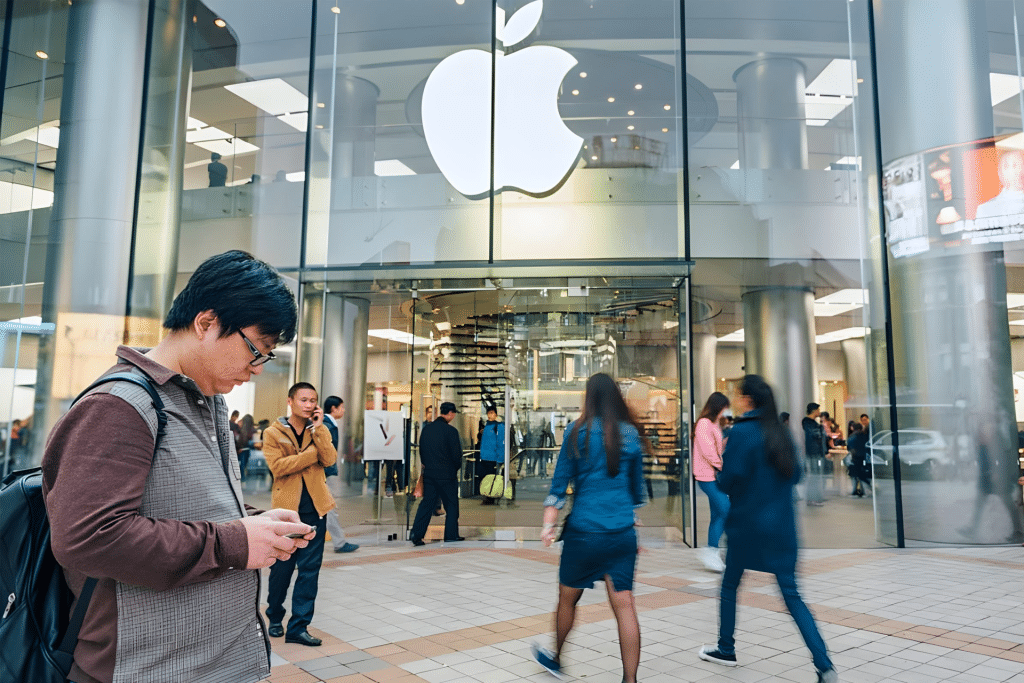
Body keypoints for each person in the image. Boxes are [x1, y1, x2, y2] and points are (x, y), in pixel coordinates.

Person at [41, 249, 311, 683]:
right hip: (144, 668)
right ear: (206, 323)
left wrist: (254, 525)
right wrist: (233, 543)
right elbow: (87, 537)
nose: (256, 369)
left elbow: (185, 507)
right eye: (255, 350)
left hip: (210, 663)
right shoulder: (119, 407)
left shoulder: (205, 403)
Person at [698, 375, 838, 683]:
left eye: (738, 395)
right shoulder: (782, 433)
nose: (735, 400)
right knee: (792, 595)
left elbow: (726, 481)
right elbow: (797, 475)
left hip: (746, 529)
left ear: (748, 400)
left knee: (730, 586)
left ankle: (726, 648)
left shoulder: (741, 433)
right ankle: (824, 665)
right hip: (783, 529)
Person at [533, 373, 647, 683]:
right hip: (622, 533)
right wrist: (634, 522)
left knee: (567, 599)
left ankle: (556, 659)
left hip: (583, 534)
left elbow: (558, 488)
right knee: (625, 605)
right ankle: (630, 680)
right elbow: (637, 492)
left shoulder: (576, 432)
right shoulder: (631, 435)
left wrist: (548, 526)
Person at [263, 382, 337, 647]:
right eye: (303, 400)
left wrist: (318, 431)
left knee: (309, 570)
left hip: (315, 509)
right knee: (282, 567)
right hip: (286, 512)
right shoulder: (273, 432)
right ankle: (274, 616)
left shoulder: (319, 429)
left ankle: (298, 627)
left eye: (312, 401)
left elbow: (329, 459)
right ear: (291, 401)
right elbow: (279, 467)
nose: (308, 405)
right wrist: (310, 455)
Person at [410, 402, 464, 545]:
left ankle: (416, 534)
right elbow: (457, 456)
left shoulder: (427, 430)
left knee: (427, 504)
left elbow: (422, 451)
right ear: (451, 414)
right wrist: (454, 469)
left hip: (430, 474)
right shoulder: (451, 432)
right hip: (447, 476)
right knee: (451, 506)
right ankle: (451, 535)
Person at [693, 392, 731, 572]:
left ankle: (712, 552)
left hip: (713, 475)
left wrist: (724, 444)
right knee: (725, 510)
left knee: (718, 514)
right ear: (718, 406)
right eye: (724, 407)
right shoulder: (703, 423)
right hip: (706, 476)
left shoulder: (714, 423)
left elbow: (714, 448)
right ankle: (710, 551)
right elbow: (708, 452)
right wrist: (722, 466)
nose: (726, 411)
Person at [323, 395, 358, 553]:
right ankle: (339, 543)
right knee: (329, 508)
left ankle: (339, 542)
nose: (343, 410)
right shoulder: (327, 425)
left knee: (327, 508)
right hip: (324, 473)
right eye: (341, 407)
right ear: (333, 408)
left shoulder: (329, 424)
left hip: (325, 472)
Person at [478, 403, 505, 505]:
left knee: (491, 478)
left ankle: (490, 498)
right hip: (484, 457)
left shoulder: (499, 426)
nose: (490, 415)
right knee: (485, 478)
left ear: (496, 414)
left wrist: (500, 459)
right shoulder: (486, 426)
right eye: (488, 413)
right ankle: (487, 497)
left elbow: (500, 443)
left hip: (493, 458)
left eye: (492, 413)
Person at [802, 403, 826, 507]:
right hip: (812, 452)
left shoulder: (814, 423)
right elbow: (817, 434)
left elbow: (821, 434)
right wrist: (820, 429)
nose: (819, 412)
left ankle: (815, 497)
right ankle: (811, 499)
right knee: (814, 476)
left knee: (816, 475)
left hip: (817, 452)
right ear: (814, 410)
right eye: (818, 410)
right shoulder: (807, 422)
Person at [846, 422, 869, 497]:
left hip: (855, 458)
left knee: (854, 475)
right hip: (863, 457)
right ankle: (863, 491)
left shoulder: (851, 437)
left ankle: (854, 491)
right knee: (861, 474)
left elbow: (849, 448)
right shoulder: (865, 436)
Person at [236, 413, 255, 480]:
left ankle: (242, 478)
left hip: (242, 451)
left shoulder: (241, 430)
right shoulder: (253, 431)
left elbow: (240, 441)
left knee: (241, 466)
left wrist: (238, 448)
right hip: (250, 451)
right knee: (244, 466)